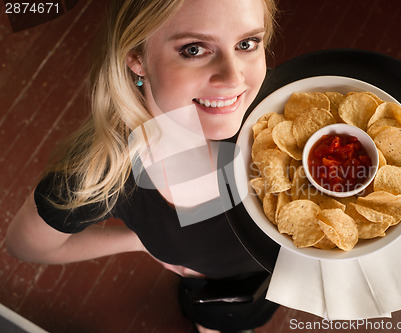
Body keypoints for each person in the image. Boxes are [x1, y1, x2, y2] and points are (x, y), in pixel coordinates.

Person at [6, 0, 279, 332]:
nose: (234, 79)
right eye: (194, 49)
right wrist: (136, 241)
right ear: (137, 58)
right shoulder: (103, 172)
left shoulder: (283, 112)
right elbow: (26, 247)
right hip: (219, 301)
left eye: (246, 44)